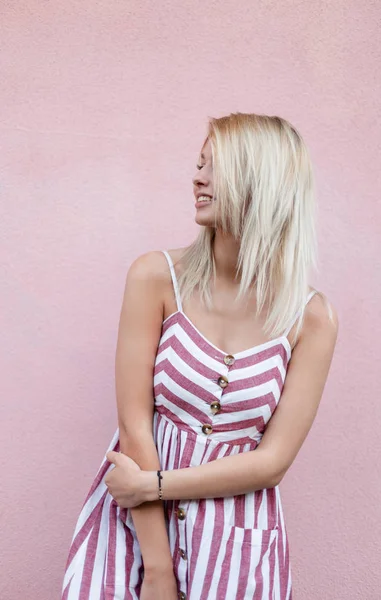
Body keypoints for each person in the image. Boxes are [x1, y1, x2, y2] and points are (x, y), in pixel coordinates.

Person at [61, 112, 338, 600]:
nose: (197, 177)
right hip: (136, 533)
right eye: (199, 163)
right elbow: (134, 429)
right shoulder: (155, 277)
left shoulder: (311, 319)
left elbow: (272, 463)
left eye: (214, 165)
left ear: (260, 179)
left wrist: (157, 484)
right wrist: (158, 571)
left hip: (238, 547)